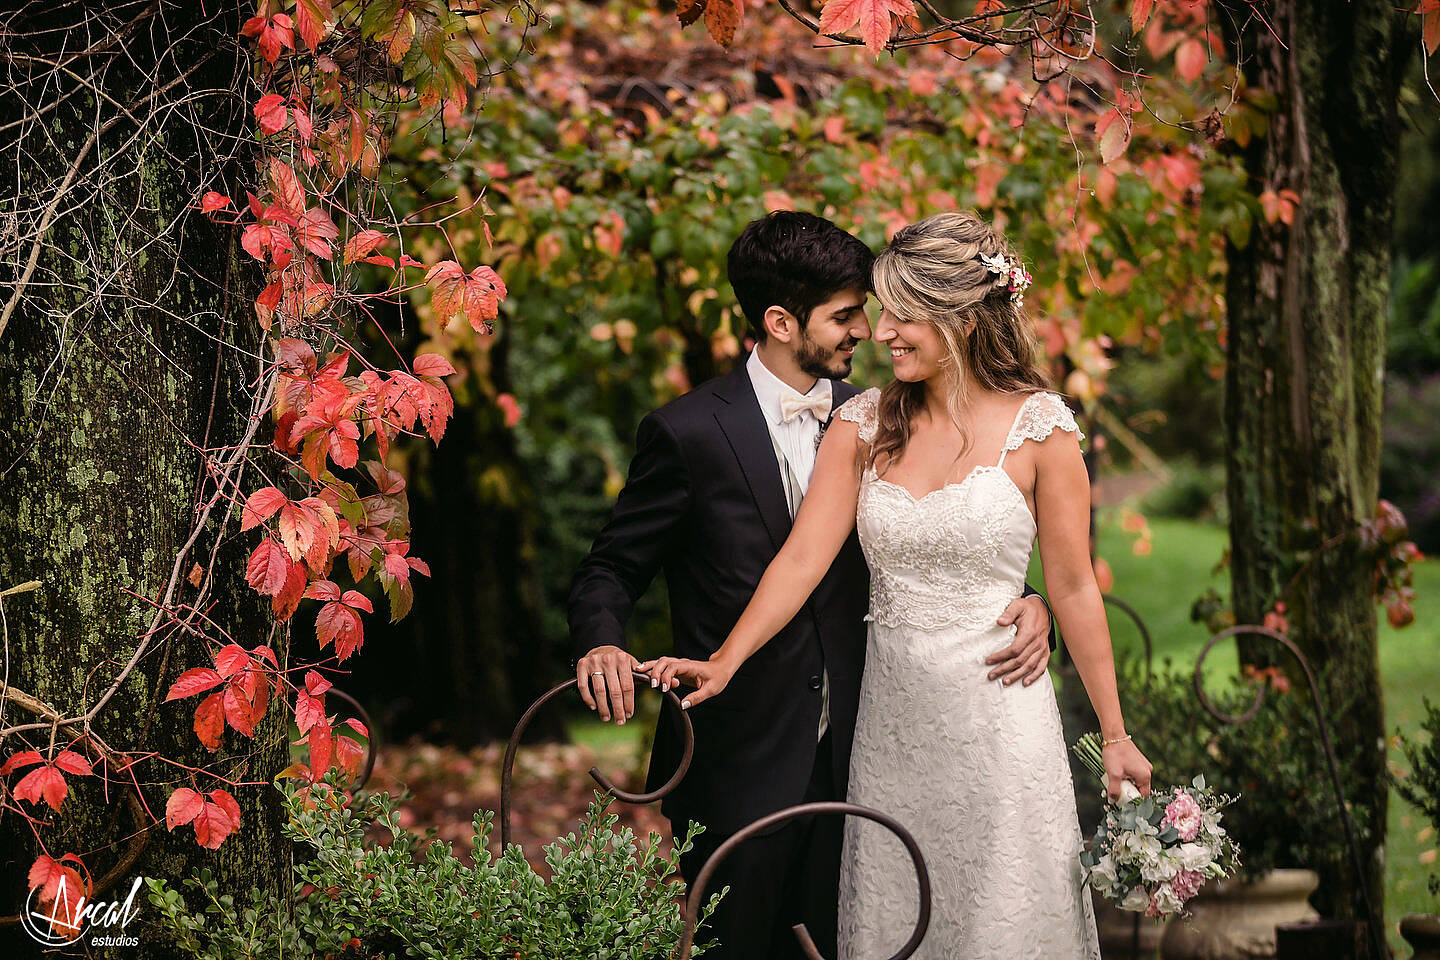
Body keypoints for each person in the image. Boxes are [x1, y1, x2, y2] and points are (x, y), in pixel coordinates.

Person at [641, 211, 1152, 959]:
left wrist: (1114, 735)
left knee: (1002, 924)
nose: (881, 333)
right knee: (897, 919)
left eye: (903, 315)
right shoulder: (861, 424)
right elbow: (802, 559)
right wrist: (726, 659)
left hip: (1002, 724)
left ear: (961, 319)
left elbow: (1073, 588)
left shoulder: (1043, 430)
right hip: (891, 733)